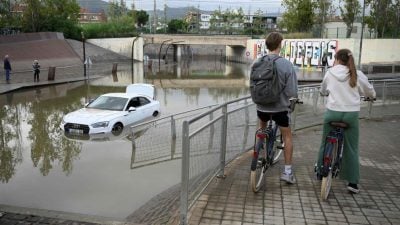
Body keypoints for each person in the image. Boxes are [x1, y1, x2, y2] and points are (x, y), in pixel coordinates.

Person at [316, 48, 376, 193]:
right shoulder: (357, 74)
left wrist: (325, 93)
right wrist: (372, 96)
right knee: (351, 148)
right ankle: (353, 183)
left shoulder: (330, 73)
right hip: (351, 115)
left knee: (325, 142)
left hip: (332, 113)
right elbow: (369, 91)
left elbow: (323, 90)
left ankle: (320, 171)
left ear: (336, 59)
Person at [253, 32, 298, 184]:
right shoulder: (286, 64)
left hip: (262, 107)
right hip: (280, 109)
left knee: (261, 129)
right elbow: (292, 92)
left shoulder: (257, 63)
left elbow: (253, 85)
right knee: (287, 137)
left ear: (266, 45)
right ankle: (287, 172)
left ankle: (260, 153)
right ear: (280, 45)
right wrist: (292, 102)